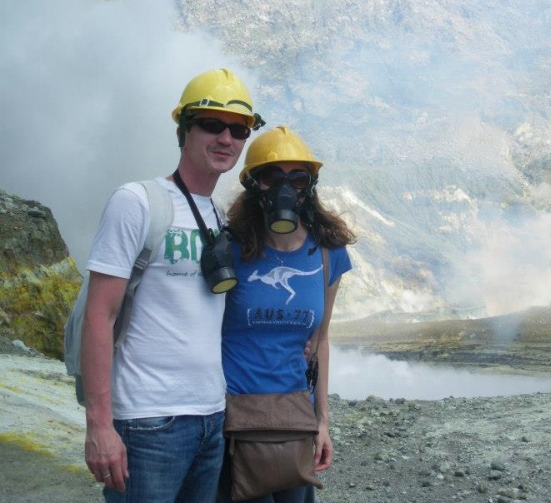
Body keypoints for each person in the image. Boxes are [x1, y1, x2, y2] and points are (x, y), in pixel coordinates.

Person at [81, 68, 264, 502]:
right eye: (211, 125)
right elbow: (99, 314)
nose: (226, 139)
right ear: (183, 128)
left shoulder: (222, 217)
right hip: (147, 423)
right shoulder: (138, 202)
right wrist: (100, 427)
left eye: (238, 130)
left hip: (211, 418)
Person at [220, 125, 356, 503]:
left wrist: (322, 422)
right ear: (253, 185)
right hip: (233, 421)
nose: (286, 188)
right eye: (271, 176)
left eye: (298, 178)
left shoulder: (329, 253)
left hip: (295, 419)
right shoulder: (229, 250)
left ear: (309, 186)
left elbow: (322, 340)